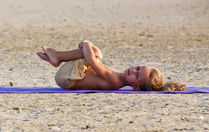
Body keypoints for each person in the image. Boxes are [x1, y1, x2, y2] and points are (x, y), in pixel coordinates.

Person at [37, 40, 186, 91]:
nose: (133, 70)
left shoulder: (114, 81)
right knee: (95, 54)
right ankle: (56, 57)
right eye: (138, 68)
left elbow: (91, 62)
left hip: (67, 79)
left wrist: (86, 43)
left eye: (137, 75)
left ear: (135, 87)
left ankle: (57, 56)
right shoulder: (119, 75)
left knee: (95, 53)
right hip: (70, 75)